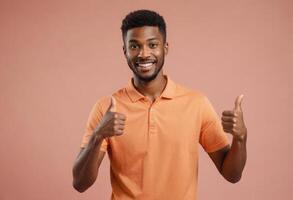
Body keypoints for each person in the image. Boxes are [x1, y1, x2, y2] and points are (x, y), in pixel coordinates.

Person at [72, 9, 247, 199]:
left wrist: (240, 138)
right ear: (124, 51)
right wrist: (98, 136)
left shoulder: (196, 103)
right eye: (134, 46)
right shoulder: (107, 108)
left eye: (152, 44)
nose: (143, 54)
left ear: (165, 48)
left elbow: (232, 175)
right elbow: (80, 184)